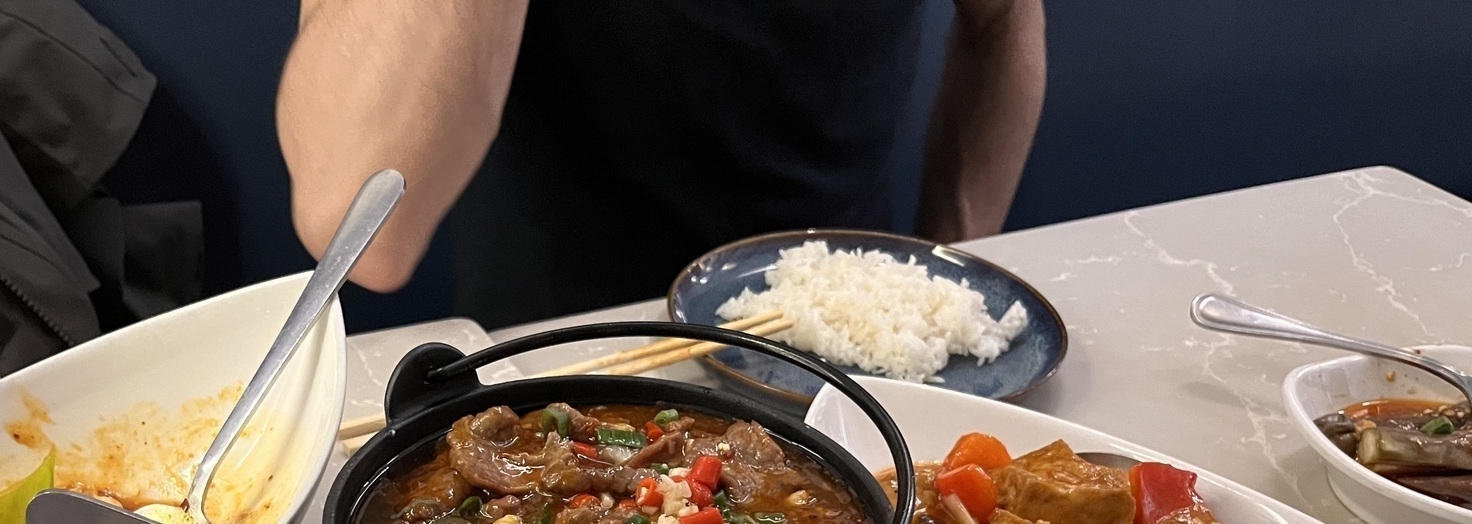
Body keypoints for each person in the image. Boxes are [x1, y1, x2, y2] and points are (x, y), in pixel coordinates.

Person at [276, 0, 1046, 328]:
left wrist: (952, 273)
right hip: (567, 366)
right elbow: (363, 222)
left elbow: (1003, 19)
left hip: (842, 342)